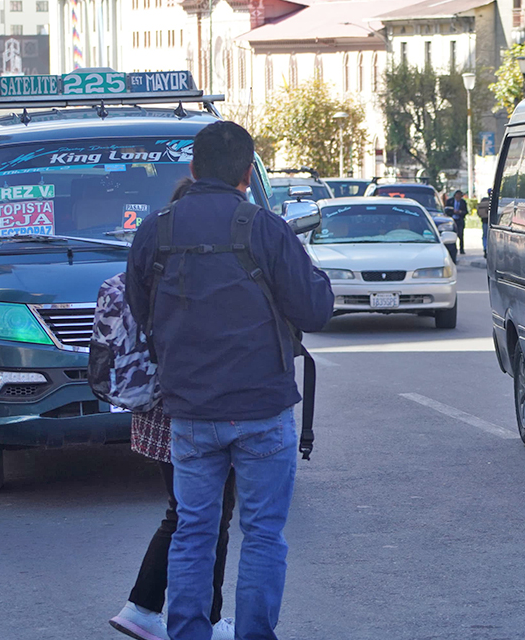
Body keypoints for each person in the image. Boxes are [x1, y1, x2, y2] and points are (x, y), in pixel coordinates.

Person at [125, 121, 334, 640]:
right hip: (263, 409)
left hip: (191, 412)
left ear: (192, 169)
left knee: (194, 529)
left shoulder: (157, 229)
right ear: (247, 174)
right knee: (262, 534)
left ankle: (188, 633)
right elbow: (316, 308)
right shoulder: (264, 227)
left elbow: (137, 308)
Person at [110, 178, 237, 640]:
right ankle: (200, 618)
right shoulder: (184, 272)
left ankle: (143, 607)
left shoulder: (152, 262)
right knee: (208, 519)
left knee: (186, 514)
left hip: (155, 412)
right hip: (184, 411)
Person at [448, 190, 468, 254]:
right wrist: (453, 212)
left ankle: (461, 249)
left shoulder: (463, 202)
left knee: (460, 235)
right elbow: (446, 210)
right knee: (452, 235)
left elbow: (466, 211)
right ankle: (453, 249)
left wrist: (460, 212)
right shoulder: (450, 201)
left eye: (460, 195)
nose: (459, 196)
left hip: (460, 220)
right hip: (452, 220)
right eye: (458, 195)